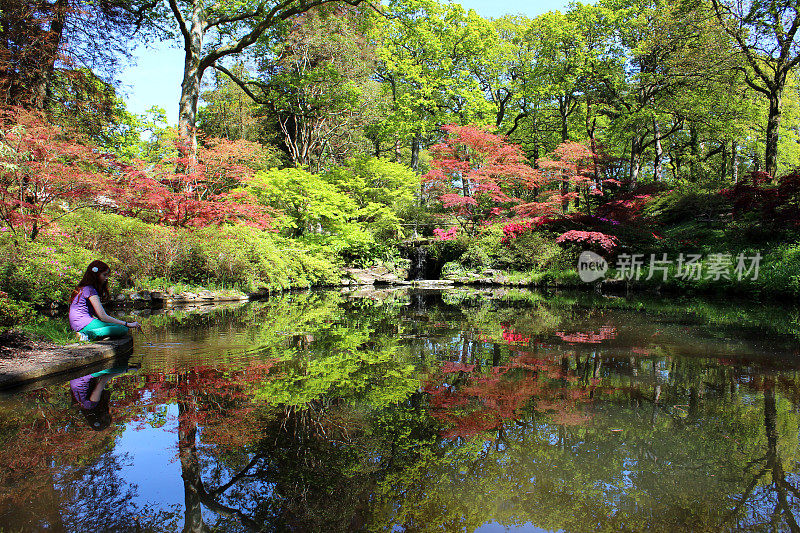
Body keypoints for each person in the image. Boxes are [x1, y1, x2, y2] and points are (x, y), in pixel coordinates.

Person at [69, 260, 140, 341]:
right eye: (104, 275)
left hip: (77, 324)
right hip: (83, 323)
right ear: (95, 275)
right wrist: (128, 324)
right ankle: (86, 335)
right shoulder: (89, 290)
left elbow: (99, 316)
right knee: (123, 329)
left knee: (114, 327)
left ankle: (90, 334)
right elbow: (103, 317)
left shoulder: (83, 288)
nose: (106, 278)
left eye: (107, 275)